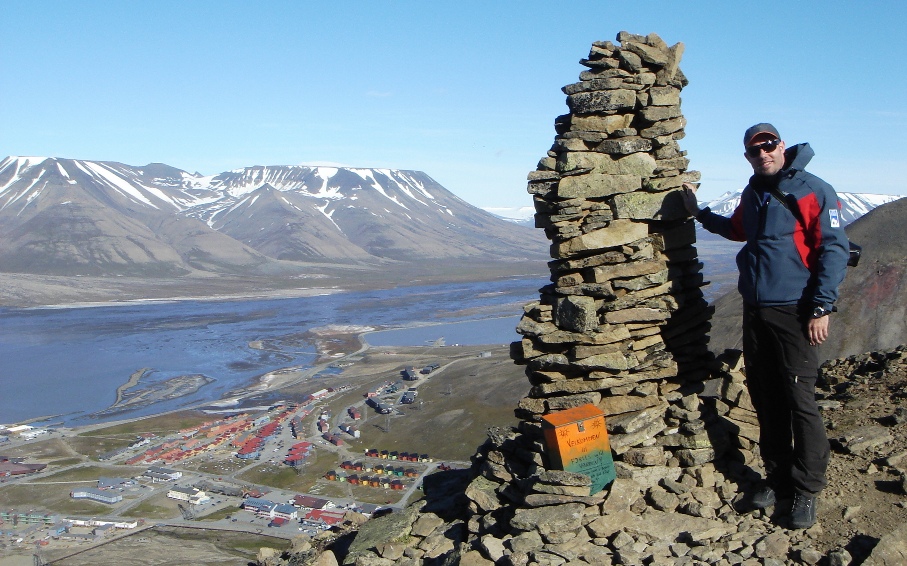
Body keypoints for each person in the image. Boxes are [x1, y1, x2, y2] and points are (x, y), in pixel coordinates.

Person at [681, 123, 849, 529]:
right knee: (766, 396)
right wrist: (699, 214)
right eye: (754, 151)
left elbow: (834, 247)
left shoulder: (812, 189)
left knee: (799, 402)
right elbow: (739, 230)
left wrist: (822, 306)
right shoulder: (753, 190)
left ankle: (806, 490)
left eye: (769, 146)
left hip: (795, 311)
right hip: (755, 309)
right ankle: (777, 480)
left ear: (782, 146)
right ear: (747, 156)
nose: (763, 154)